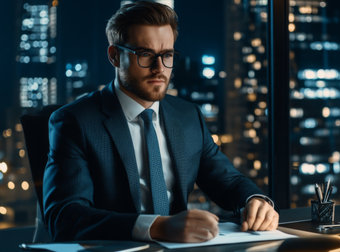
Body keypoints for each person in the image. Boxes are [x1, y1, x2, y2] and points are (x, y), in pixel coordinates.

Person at [43, 1, 278, 243]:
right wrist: (156, 228)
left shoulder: (188, 116)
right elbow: (65, 217)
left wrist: (255, 201)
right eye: (145, 55)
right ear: (115, 56)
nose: (159, 68)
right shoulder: (75, 122)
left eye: (167, 55)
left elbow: (228, 181)